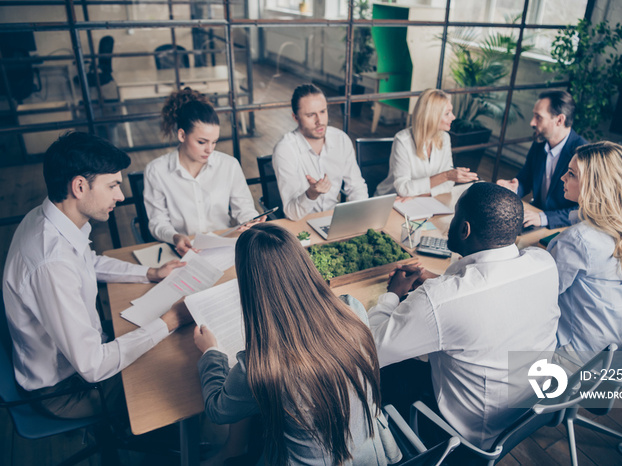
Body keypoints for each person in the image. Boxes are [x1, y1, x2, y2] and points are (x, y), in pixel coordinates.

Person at [2, 132, 192, 420]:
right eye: (113, 185)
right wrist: (170, 320)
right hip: (65, 390)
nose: (121, 195)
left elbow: (89, 262)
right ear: (79, 186)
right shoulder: (51, 263)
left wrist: (151, 273)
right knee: (178, 376)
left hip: (78, 358)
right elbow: (92, 366)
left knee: (165, 343)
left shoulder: (49, 218)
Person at [369, 182, 560, 449]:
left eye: (455, 216)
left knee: (376, 372)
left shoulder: (439, 300)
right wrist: (438, 282)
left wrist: (392, 295)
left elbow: (371, 350)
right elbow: (490, 292)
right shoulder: (543, 263)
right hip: (527, 409)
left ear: (464, 228)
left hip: (469, 434)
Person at [193, 223, 398, 465]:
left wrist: (211, 352)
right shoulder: (352, 310)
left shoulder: (260, 364)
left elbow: (218, 410)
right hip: (372, 456)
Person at [549, 141, 622, 355]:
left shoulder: (578, 239)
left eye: (571, 174)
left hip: (574, 359)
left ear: (594, 185)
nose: (562, 178)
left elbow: (544, 294)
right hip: (613, 353)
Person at [144, 88, 261, 256]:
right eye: (201, 142)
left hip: (224, 248)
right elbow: (157, 221)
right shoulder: (157, 171)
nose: (209, 149)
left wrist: (252, 220)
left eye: (214, 142)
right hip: (182, 251)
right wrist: (175, 236)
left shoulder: (229, 165)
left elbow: (244, 208)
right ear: (182, 135)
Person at [272, 84, 368, 221]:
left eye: (323, 112)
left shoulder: (341, 139)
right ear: (295, 117)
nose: (320, 121)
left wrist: (360, 216)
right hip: (301, 224)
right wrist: (311, 194)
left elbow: (356, 187)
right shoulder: (285, 150)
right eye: (311, 115)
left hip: (335, 219)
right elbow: (292, 213)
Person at [497, 90, 587, 228]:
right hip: (535, 218)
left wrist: (545, 218)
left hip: (563, 228)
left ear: (559, 120)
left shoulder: (584, 154)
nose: (532, 122)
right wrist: (513, 188)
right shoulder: (540, 143)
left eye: (538, 117)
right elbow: (525, 179)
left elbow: (585, 210)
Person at [375, 88, 478, 197]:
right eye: (447, 113)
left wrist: (421, 194)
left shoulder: (445, 138)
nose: (453, 117)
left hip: (423, 200)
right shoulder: (402, 140)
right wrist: (445, 176)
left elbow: (448, 184)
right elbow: (403, 189)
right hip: (392, 202)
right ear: (432, 116)